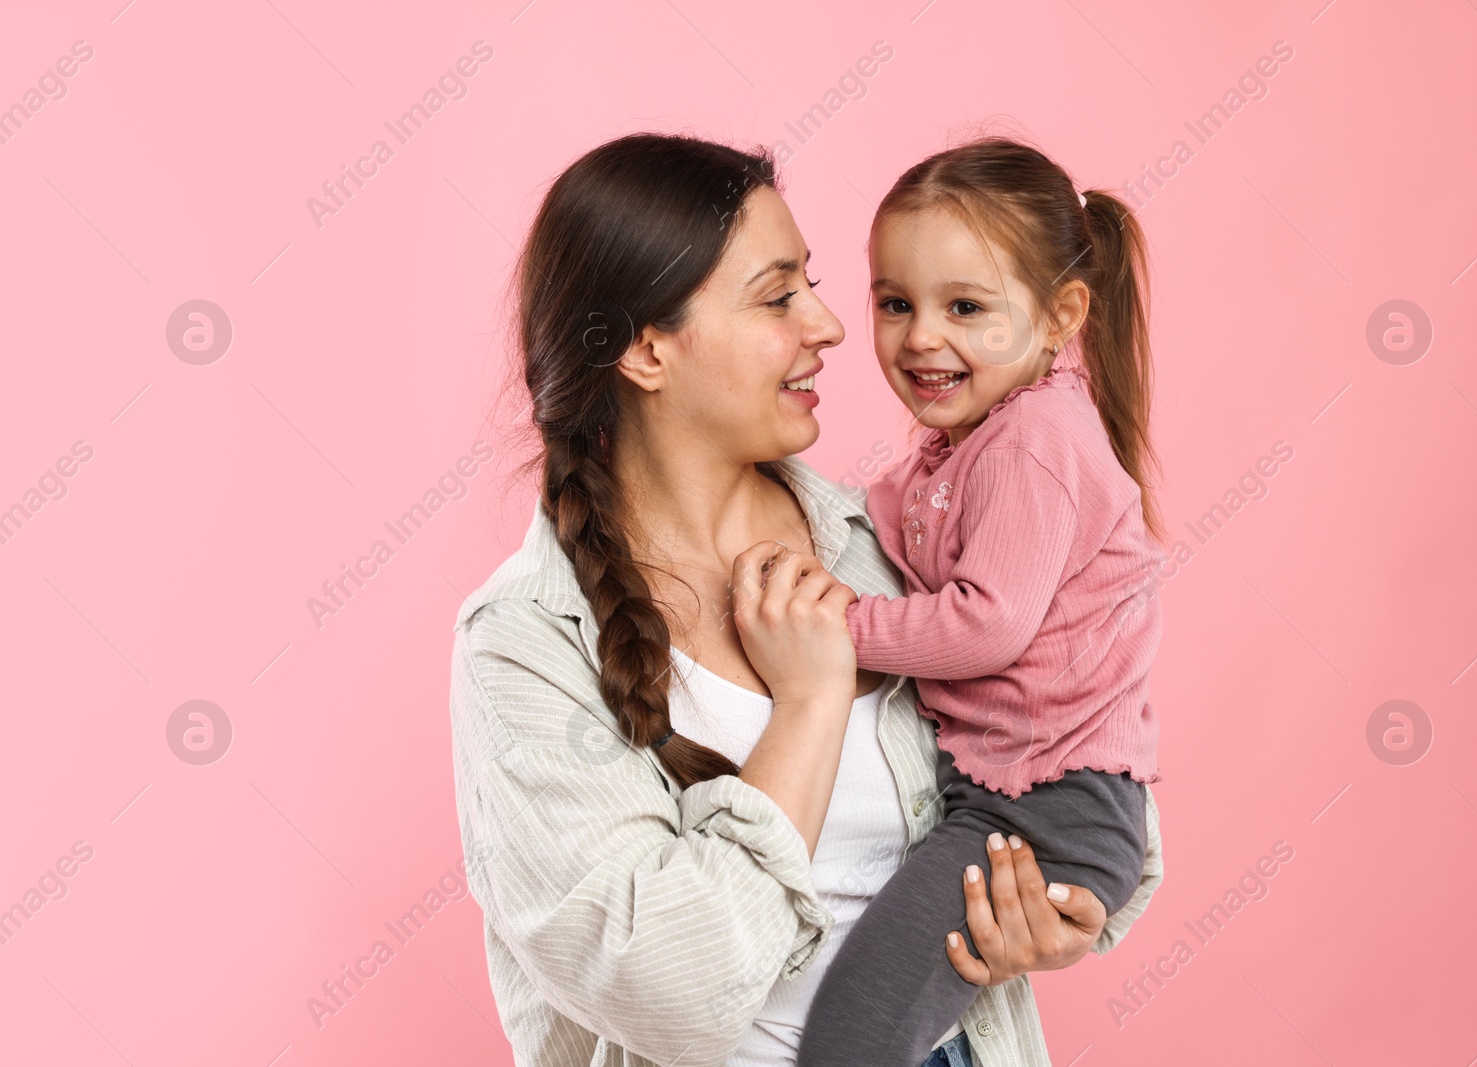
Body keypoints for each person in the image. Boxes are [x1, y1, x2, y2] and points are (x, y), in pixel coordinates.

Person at [448, 132, 1166, 1067]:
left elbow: (1083, 747)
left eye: (817, 286)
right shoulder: (525, 647)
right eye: (780, 295)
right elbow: (666, 989)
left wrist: (1059, 911)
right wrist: (814, 702)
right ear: (646, 348)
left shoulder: (880, 545)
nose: (831, 327)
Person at [795, 138, 1167, 1067]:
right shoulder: (967, 440)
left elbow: (985, 623)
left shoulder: (1035, 440)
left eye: (965, 306)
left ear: (1058, 315)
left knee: (852, 1039)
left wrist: (832, 629)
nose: (922, 336)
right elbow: (891, 521)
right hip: (1020, 795)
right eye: (894, 304)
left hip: (1046, 808)